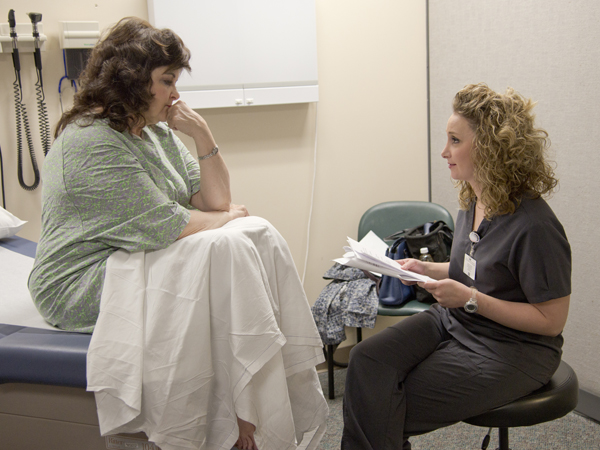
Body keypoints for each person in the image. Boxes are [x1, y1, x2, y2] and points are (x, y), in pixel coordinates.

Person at [28, 17, 327, 450]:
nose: (175, 93)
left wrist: (200, 132)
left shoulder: (152, 132)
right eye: (166, 81)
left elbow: (215, 201)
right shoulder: (91, 142)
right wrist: (222, 218)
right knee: (225, 248)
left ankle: (251, 406)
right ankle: (240, 417)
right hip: (80, 282)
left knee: (251, 232)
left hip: (134, 257)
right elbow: (178, 224)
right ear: (131, 79)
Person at [341, 83, 571, 450]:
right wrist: (425, 268)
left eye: (455, 141)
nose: (444, 151)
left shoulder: (535, 226)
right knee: (366, 360)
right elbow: (477, 270)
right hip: (459, 321)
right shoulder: (475, 200)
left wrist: (470, 299)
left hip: (513, 349)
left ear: (491, 148)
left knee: (382, 402)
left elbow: (551, 320)